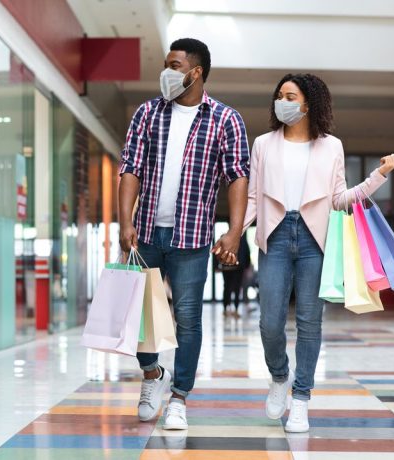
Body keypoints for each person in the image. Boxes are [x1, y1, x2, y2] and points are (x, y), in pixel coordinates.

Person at [243, 74, 394, 433]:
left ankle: (301, 399)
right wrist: (235, 234)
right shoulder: (263, 143)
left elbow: (339, 199)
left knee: (310, 323)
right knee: (269, 322)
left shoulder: (332, 146)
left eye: (290, 95)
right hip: (276, 236)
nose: (283, 101)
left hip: (315, 240)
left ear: (308, 103)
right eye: (279, 95)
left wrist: (378, 176)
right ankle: (280, 375)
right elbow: (253, 195)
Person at [118, 38, 250, 431]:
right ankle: (151, 375)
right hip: (146, 235)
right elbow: (130, 168)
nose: (167, 72)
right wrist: (125, 221)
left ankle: (179, 398)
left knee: (188, 318)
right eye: (166, 64)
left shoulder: (225, 119)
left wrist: (235, 231)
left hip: (192, 237)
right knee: (141, 316)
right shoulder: (147, 113)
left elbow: (237, 176)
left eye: (174, 65)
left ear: (195, 72)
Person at [218, 233, 251, 318]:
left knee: (230, 288)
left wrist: (246, 265)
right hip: (233, 267)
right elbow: (247, 252)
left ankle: (229, 309)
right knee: (232, 288)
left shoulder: (226, 237)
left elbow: (246, 252)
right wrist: (246, 265)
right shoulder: (241, 238)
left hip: (233, 267)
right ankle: (230, 309)